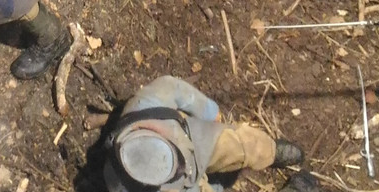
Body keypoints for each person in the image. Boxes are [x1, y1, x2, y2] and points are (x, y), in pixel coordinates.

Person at [104, 75, 307, 192]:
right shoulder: (120, 185)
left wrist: (209, 111)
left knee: (242, 143)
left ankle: (270, 151)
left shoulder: (146, 106)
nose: (180, 169)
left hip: (198, 140)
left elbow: (173, 87)